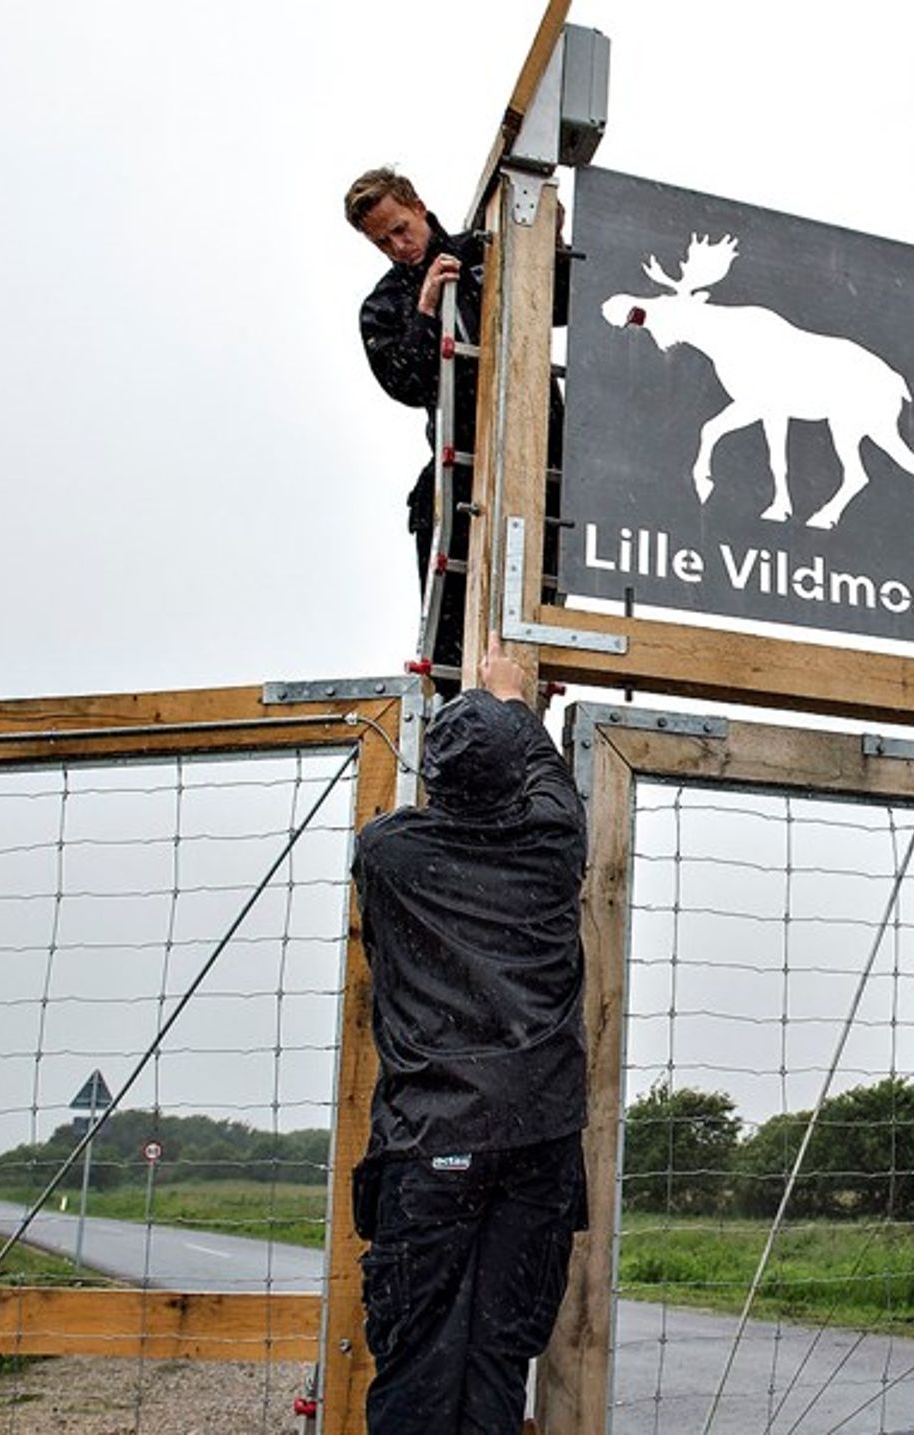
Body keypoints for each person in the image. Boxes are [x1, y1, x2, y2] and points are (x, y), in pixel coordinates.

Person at [350, 632, 587, 1432]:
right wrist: (514, 700)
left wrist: (490, 711)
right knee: (497, 1363)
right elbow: (553, 783)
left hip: (434, 1140)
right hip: (538, 1139)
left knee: (418, 1364)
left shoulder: (388, 855)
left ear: (437, 777)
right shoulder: (554, 847)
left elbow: (530, 787)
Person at [344, 167, 569, 676]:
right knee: (454, 640)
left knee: (539, 617)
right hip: (460, 468)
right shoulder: (384, 306)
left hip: (540, 453)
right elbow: (406, 384)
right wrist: (426, 310)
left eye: (401, 229)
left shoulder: (488, 247)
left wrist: (549, 244)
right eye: (382, 242)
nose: (398, 247)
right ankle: (457, 716)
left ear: (418, 205)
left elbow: (562, 304)